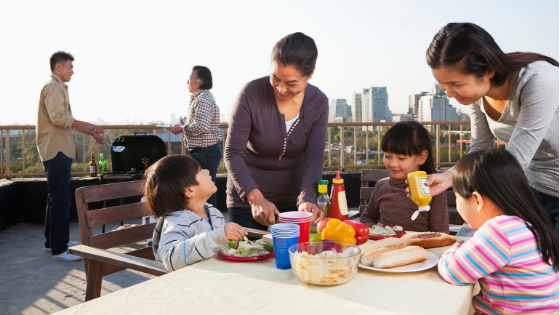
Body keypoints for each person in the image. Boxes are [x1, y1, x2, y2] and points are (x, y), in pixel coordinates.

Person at [422, 22, 559, 234]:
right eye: (442, 83)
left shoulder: (539, 80)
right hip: (535, 186)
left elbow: (514, 160)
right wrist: (449, 176)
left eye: (456, 84)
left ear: (488, 70)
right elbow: (480, 148)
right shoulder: (477, 94)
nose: (449, 93)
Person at [224, 32, 328, 230]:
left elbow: (314, 156)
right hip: (247, 202)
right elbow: (232, 153)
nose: (281, 89)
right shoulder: (251, 93)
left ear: (311, 74)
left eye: (291, 83)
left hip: (293, 205)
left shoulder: (319, 103)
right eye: (275, 78)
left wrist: (307, 200)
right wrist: (255, 199)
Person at [438, 148, 559, 314]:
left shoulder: (499, 232)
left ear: (476, 200)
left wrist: (453, 249)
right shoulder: (527, 224)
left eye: (458, 197)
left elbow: (453, 272)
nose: (457, 202)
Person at [37, 51, 105, 261]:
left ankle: (53, 243)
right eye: (69, 67)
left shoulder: (57, 87)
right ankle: (60, 249)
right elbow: (59, 119)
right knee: (61, 199)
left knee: (55, 197)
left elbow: (66, 121)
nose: (72, 71)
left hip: (57, 148)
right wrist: (89, 124)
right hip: (57, 150)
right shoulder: (54, 87)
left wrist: (91, 132)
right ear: (58, 67)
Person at [145, 155, 247, 272]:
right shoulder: (176, 221)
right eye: (200, 170)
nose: (207, 171)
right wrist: (216, 237)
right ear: (189, 190)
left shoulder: (214, 213)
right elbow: (170, 258)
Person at [360, 121, 449, 233]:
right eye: (387, 156)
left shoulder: (433, 191)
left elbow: (441, 233)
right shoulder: (381, 186)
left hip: (419, 248)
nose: (392, 163)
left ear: (421, 157)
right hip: (386, 248)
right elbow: (367, 217)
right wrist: (377, 230)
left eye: (401, 158)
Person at [169, 66, 222, 207]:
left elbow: (201, 126)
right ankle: (209, 226)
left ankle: (211, 227)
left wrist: (182, 129)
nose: (188, 82)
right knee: (203, 195)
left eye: (190, 79)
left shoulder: (203, 99)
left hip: (205, 153)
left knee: (205, 197)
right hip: (204, 153)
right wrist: (186, 124)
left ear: (199, 81)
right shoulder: (201, 97)